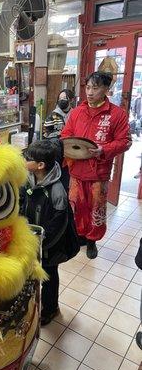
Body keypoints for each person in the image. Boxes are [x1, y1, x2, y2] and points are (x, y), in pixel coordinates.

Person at [61, 71, 130, 259]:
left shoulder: (116, 114)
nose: (90, 92)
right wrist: (67, 146)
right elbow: (66, 135)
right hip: (76, 171)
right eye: (88, 87)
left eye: (96, 88)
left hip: (98, 172)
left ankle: (92, 241)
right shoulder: (76, 112)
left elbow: (125, 141)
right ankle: (80, 237)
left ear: (107, 89)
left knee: (95, 208)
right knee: (76, 206)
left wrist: (104, 149)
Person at [20, 140, 70, 326]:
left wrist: (42, 243)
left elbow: (59, 225)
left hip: (48, 246)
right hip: (32, 240)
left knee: (48, 276)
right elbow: (22, 201)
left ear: (40, 165)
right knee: (32, 274)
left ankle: (51, 309)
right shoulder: (29, 178)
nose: (24, 160)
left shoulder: (57, 191)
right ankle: (34, 303)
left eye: (28, 158)